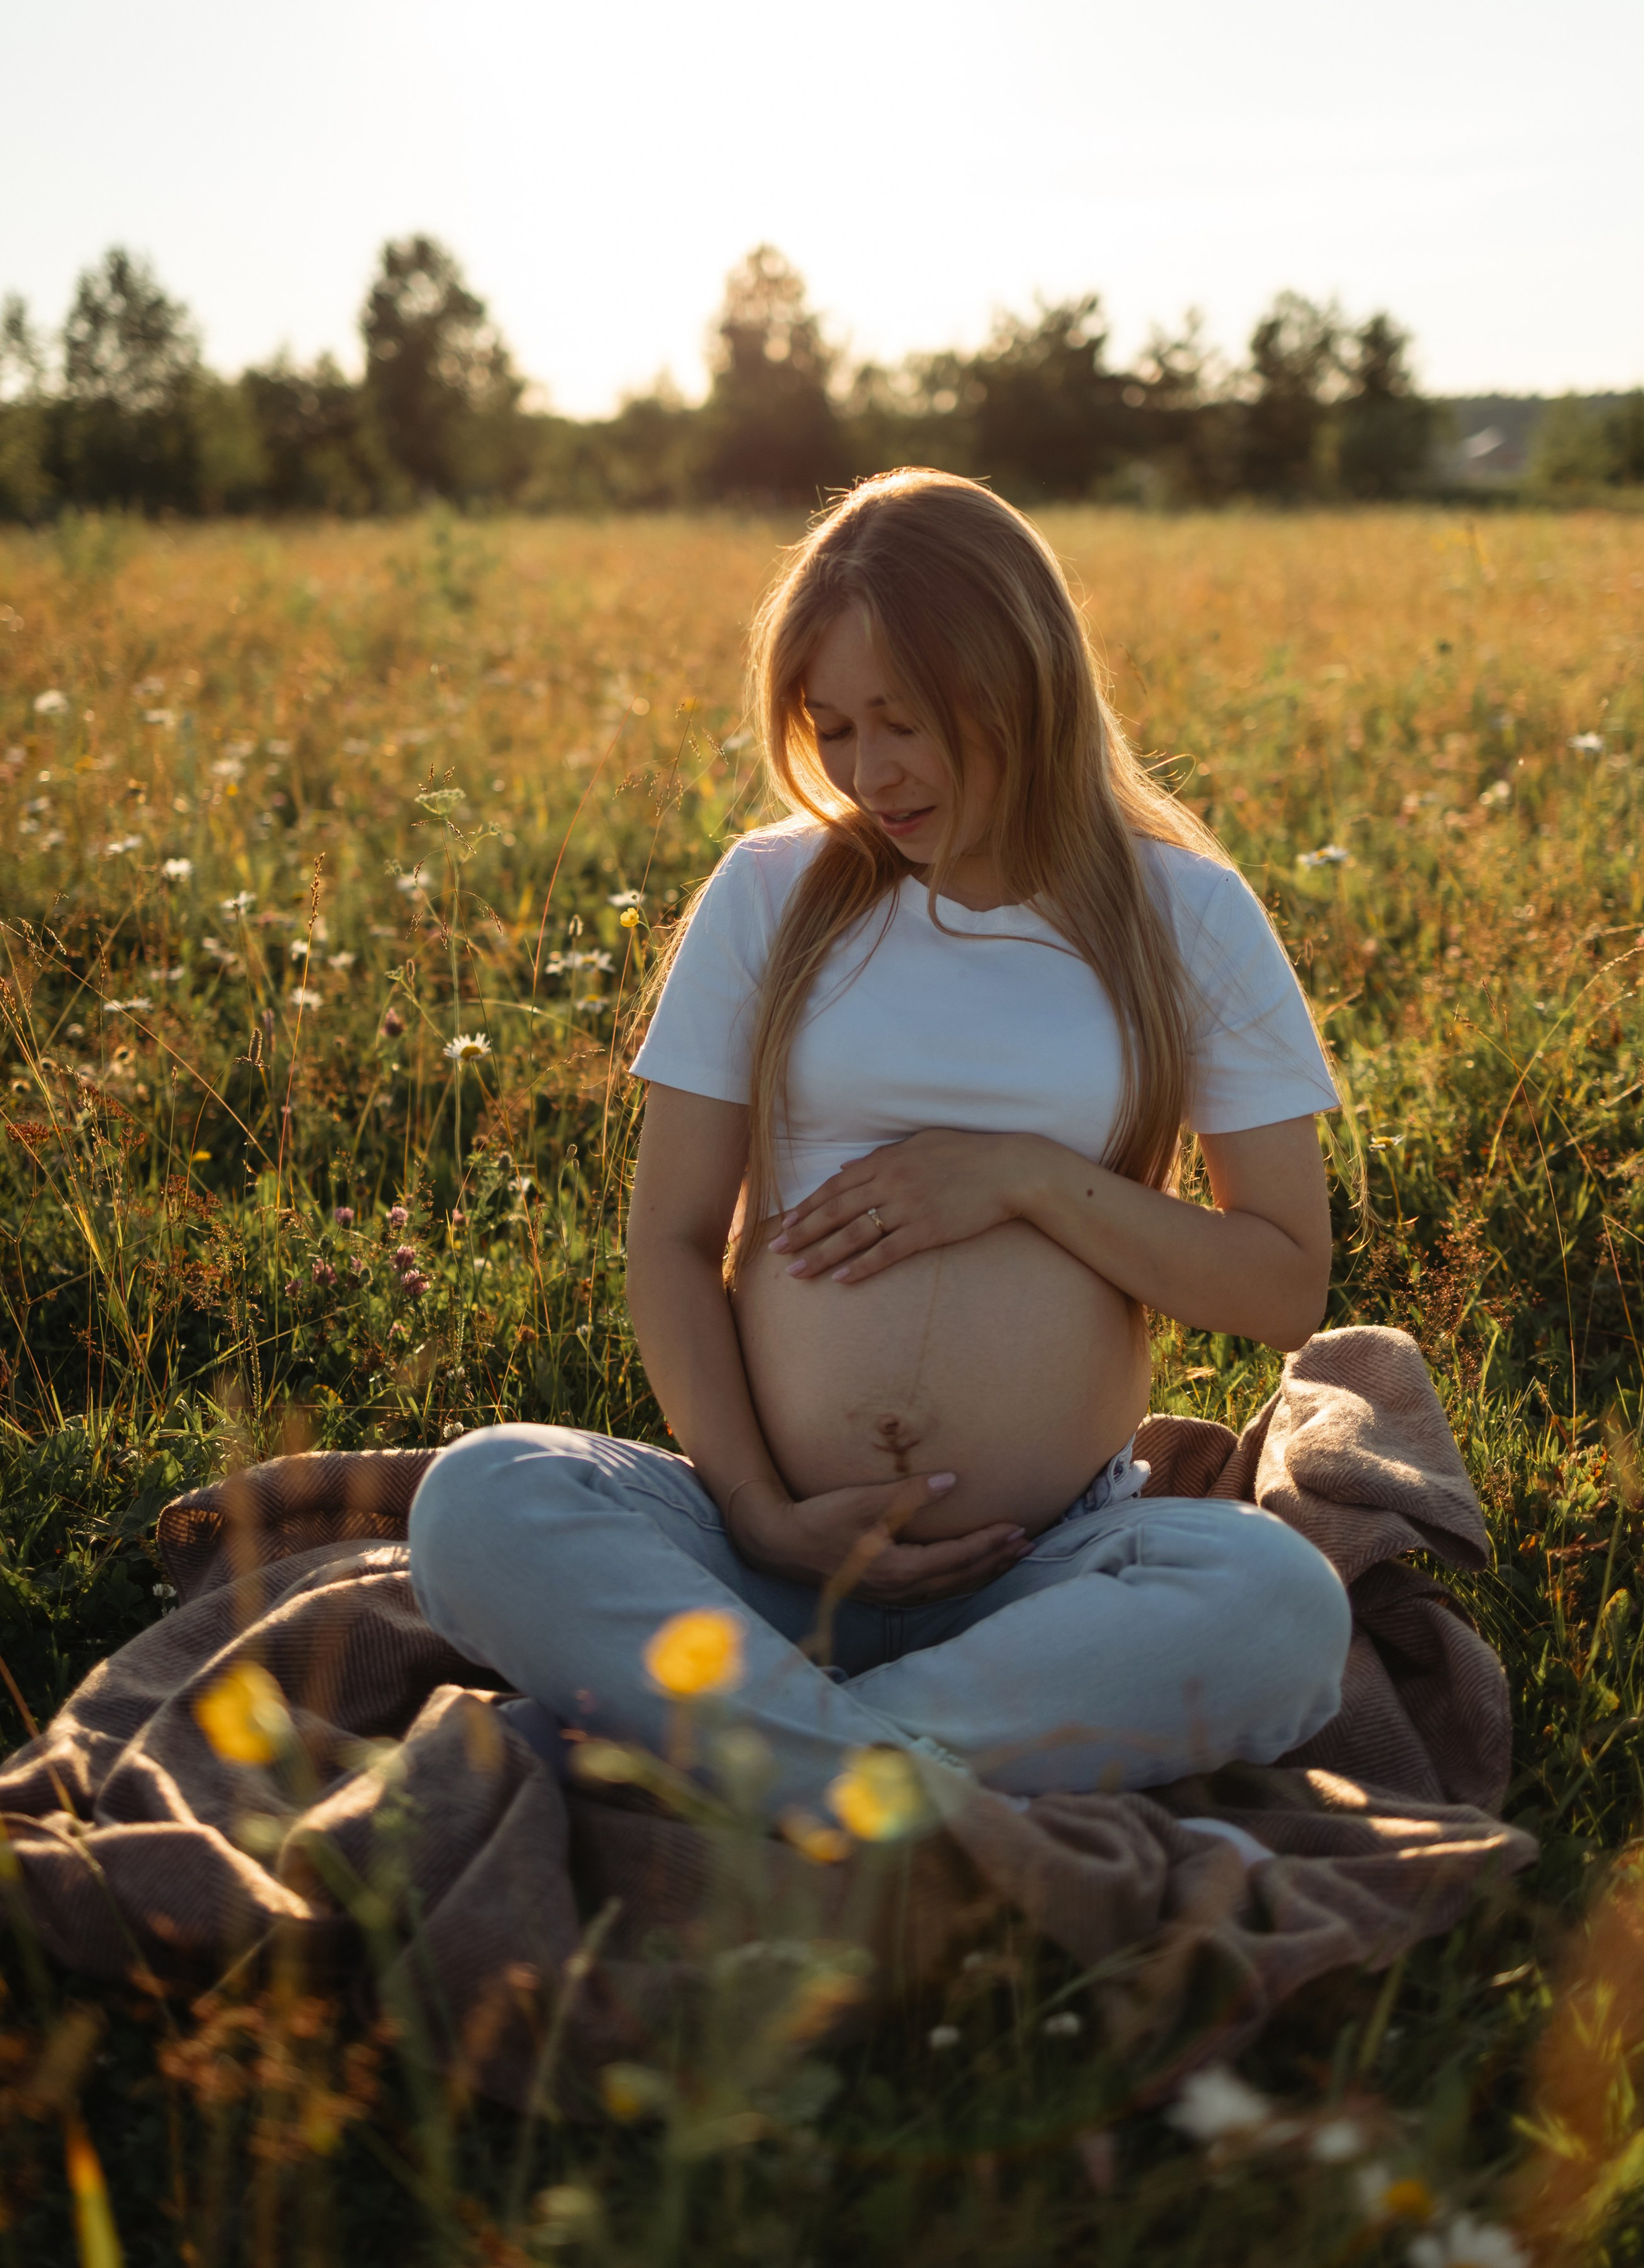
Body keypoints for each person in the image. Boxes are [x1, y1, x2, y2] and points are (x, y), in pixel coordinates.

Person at [410, 470, 1352, 1827]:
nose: (866, 772)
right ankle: (882, 1785)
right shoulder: (770, 890)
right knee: (481, 1498)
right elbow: (670, 1241)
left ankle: (744, 1755)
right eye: (832, 725)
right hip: (760, 1561)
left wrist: (1021, 1174)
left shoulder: (1182, 917)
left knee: (1277, 1607)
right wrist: (753, 1507)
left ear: (1017, 681)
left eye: (903, 722)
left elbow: (1280, 1285)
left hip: (1052, 1568)